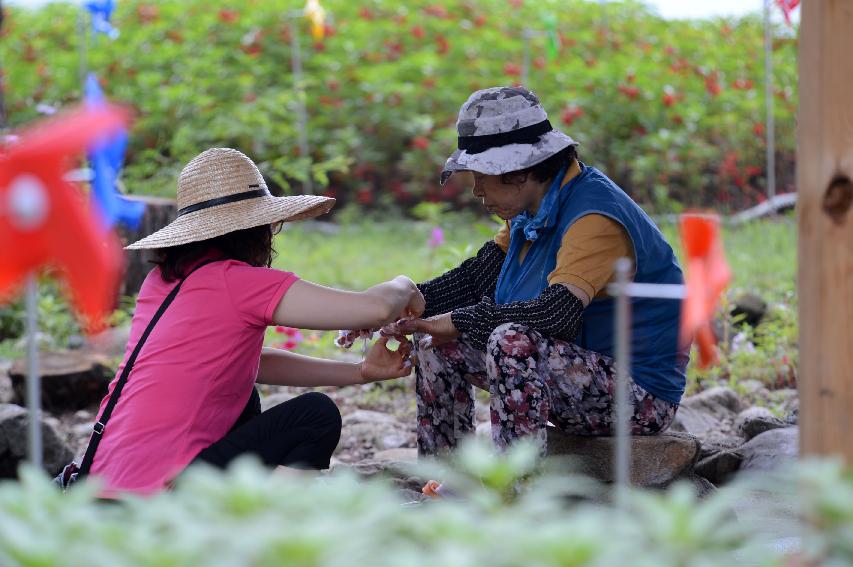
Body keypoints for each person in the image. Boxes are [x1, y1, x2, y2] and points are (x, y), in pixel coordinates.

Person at [87, 147, 423, 495]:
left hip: (100, 483)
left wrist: (361, 372)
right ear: (259, 229)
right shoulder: (238, 281)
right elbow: (375, 308)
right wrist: (407, 286)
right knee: (315, 416)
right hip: (156, 491)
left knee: (245, 398)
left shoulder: (162, 281)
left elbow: (249, 364)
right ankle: (260, 525)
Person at [403, 86, 689, 456]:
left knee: (510, 341)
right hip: (578, 370)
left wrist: (458, 319)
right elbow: (477, 278)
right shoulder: (534, 207)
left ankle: (515, 493)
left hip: (639, 394)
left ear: (517, 172)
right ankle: (444, 477)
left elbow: (556, 316)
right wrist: (405, 306)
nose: (476, 191)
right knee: (435, 344)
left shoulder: (593, 217)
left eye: (482, 176)